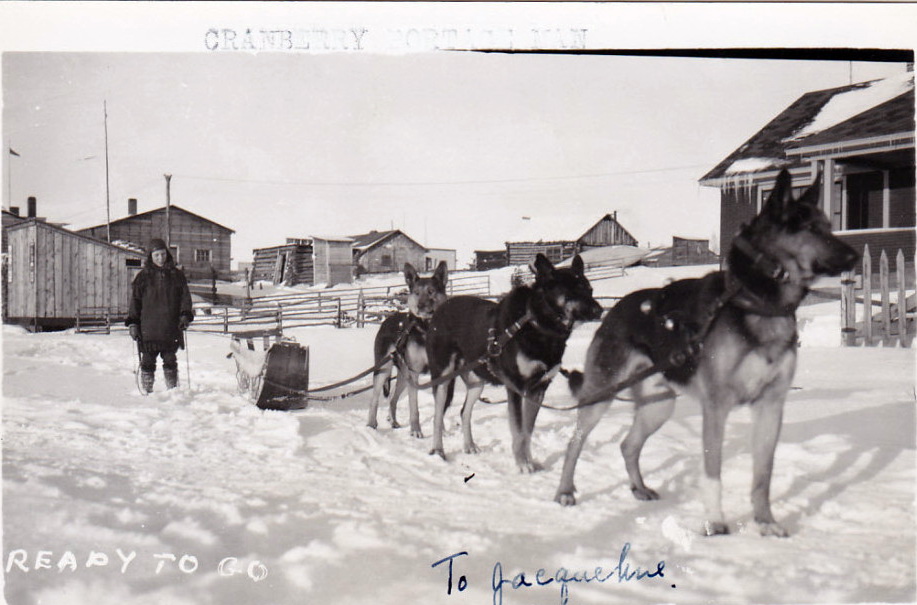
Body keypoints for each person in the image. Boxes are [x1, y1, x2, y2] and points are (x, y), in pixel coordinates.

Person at [127, 238, 193, 392]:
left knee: (170, 359)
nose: (160, 258)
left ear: (167, 254)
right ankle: (147, 391)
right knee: (148, 360)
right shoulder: (142, 277)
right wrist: (133, 323)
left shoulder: (177, 275)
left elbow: (185, 298)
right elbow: (135, 302)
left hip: (170, 326)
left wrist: (185, 315)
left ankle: (173, 391)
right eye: (156, 255)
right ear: (150, 256)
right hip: (148, 328)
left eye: (163, 254)